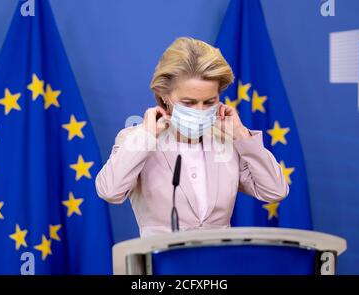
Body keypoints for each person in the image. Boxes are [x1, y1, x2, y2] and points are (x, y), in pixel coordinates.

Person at [95, 37, 289, 237]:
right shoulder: (136, 139)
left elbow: (274, 190)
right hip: (161, 264)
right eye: (189, 102)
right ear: (165, 96)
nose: (200, 110)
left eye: (209, 101)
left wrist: (241, 135)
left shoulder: (228, 141)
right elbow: (110, 191)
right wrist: (146, 136)